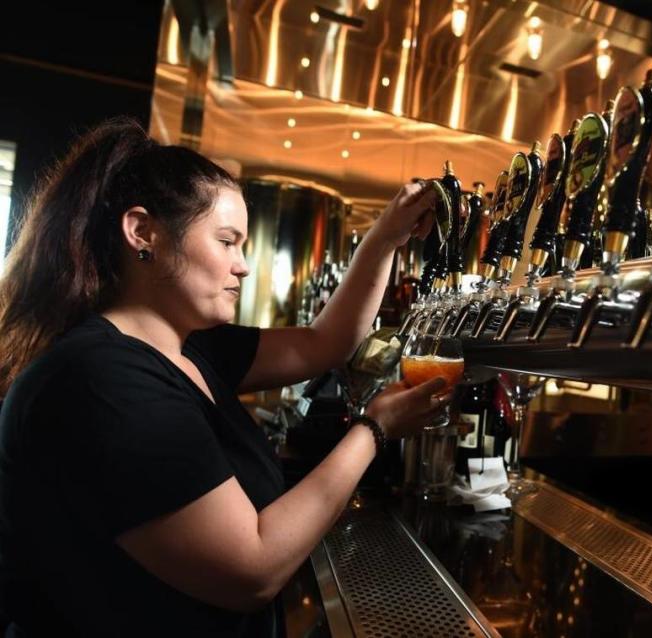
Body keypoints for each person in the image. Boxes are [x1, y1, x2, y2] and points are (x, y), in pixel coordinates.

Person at [0, 118, 450, 636]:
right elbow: (252, 569)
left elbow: (325, 342)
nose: (243, 266)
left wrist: (385, 238)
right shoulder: (101, 380)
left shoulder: (188, 346)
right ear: (142, 232)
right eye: (227, 241)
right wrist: (373, 430)